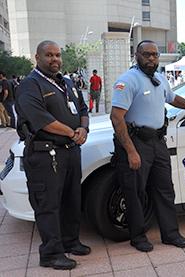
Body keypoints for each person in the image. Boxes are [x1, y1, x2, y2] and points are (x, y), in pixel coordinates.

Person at [110, 40, 185, 252]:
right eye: (146, 54)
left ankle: (170, 234)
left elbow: (173, 98)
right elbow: (116, 117)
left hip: (158, 142)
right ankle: (138, 237)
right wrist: (131, 151)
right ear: (136, 55)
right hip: (137, 143)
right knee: (135, 192)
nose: (151, 58)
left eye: (155, 55)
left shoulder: (159, 79)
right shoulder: (128, 81)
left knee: (165, 190)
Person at [15, 40, 90, 270]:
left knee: (71, 200)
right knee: (48, 205)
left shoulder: (66, 82)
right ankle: (50, 254)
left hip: (69, 152)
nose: (55, 59)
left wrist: (84, 129)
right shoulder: (30, 85)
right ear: (37, 58)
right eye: (49, 55)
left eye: (57, 55)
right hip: (46, 155)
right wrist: (71, 132)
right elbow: (40, 119)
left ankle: (70, 241)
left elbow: (83, 109)